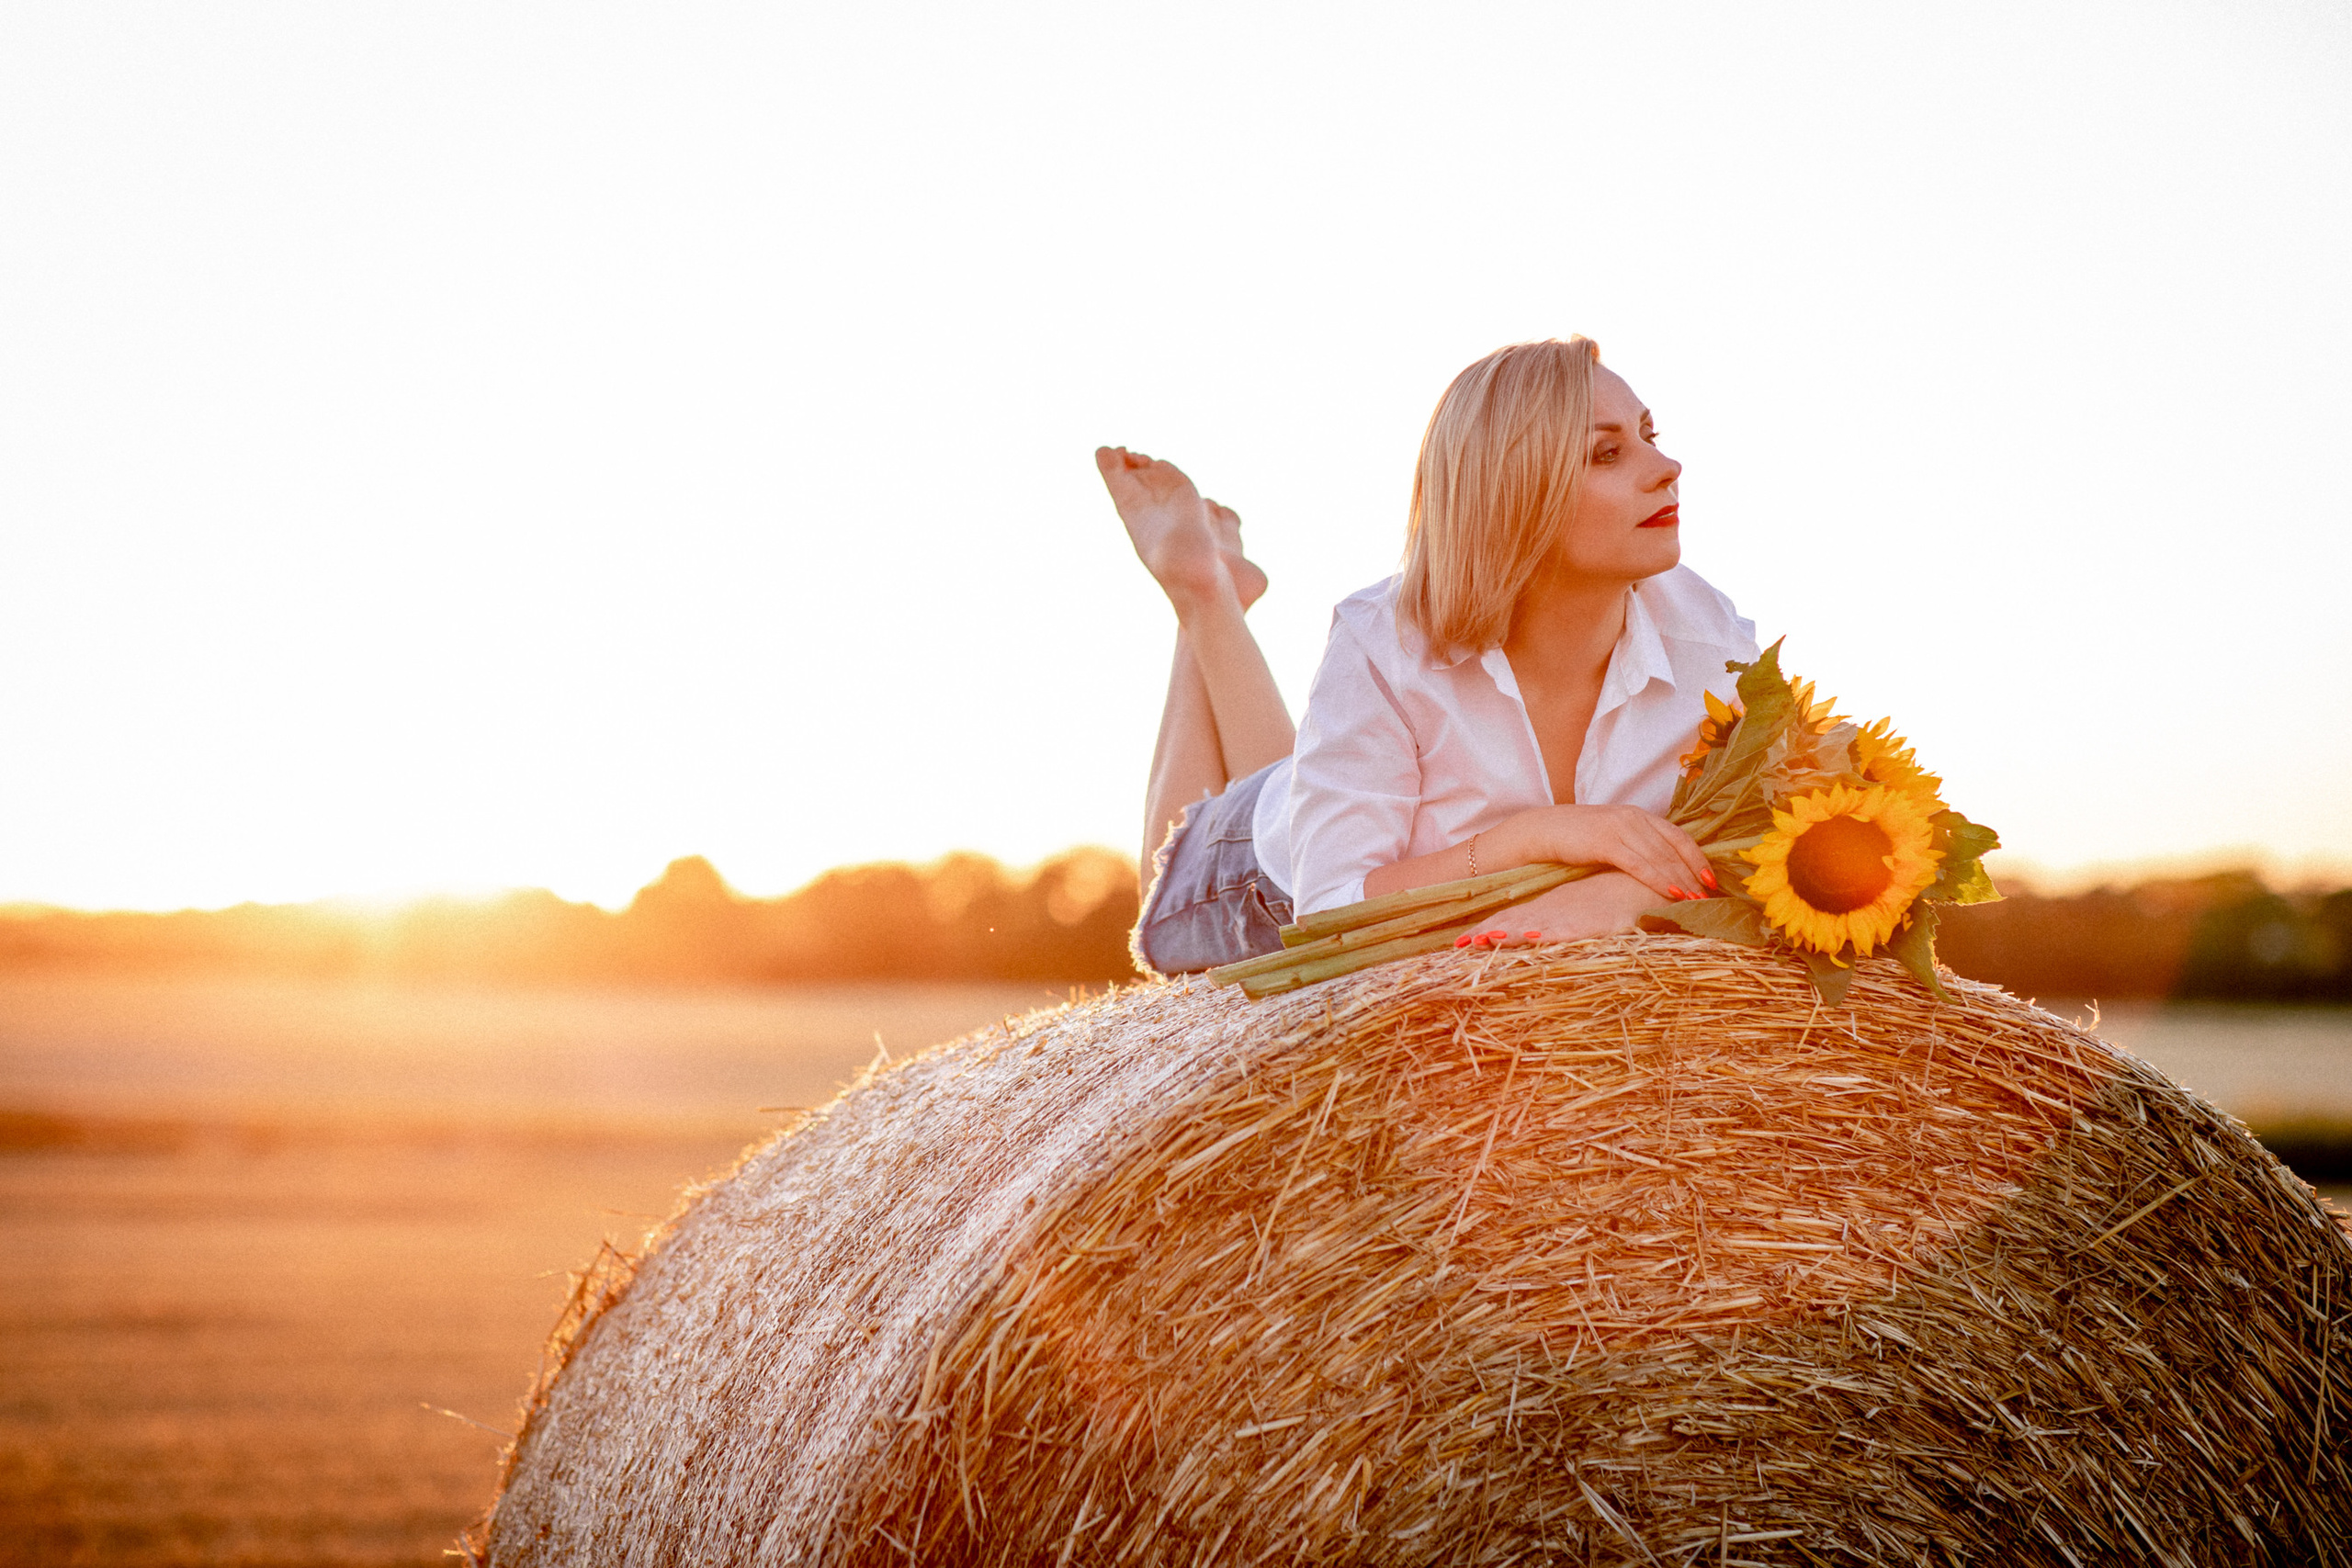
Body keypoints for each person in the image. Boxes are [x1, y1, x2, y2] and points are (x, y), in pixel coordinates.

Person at [1100, 337, 1756, 976]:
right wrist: (1541, 836)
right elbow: (1331, 904)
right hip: (1267, 875)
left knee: (1301, 773)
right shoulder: (1386, 641)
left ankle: (1216, 596)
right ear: (1513, 492)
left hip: (1359, 802)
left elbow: (1779, 837)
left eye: (1650, 434)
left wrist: (1629, 894)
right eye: (1607, 453)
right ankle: (1202, 595)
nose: (1667, 467)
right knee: (1162, 901)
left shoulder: (1712, 647)